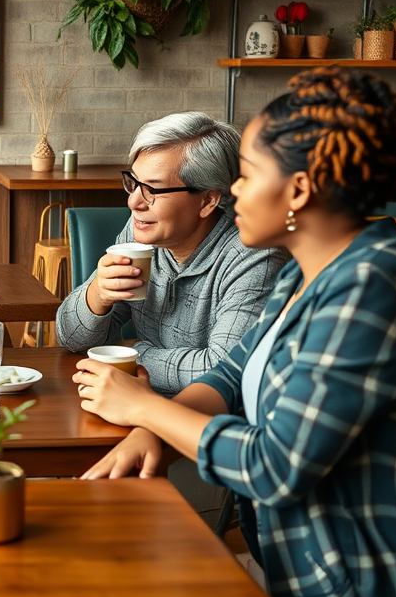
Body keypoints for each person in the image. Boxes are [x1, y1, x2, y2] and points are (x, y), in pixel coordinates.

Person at [75, 68, 396, 597]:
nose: (232, 193)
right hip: (294, 566)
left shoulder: (372, 285)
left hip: (357, 593)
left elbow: (275, 465)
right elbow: (229, 376)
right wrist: (151, 432)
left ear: (298, 191)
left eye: (247, 176)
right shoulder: (305, 272)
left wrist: (143, 407)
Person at [56, 111, 289, 395]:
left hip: (206, 425)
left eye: (153, 189)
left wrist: (131, 355)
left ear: (207, 200)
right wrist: (97, 295)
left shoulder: (253, 257)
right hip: (138, 406)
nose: (134, 201)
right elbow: (71, 339)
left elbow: (224, 371)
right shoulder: (142, 235)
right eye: (134, 182)